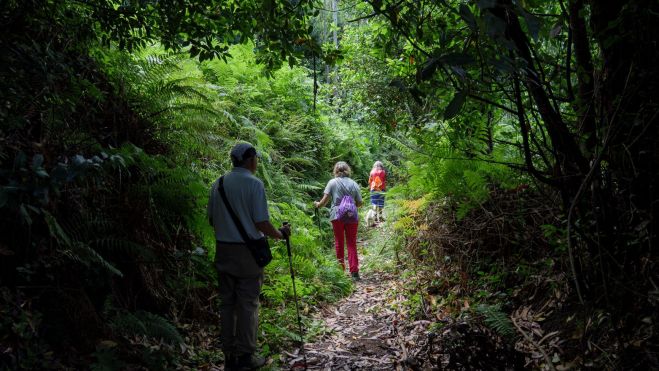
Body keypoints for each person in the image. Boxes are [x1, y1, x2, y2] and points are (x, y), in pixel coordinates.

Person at [207, 142, 290, 371]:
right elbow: (262, 223)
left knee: (227, 304)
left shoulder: (218, 184)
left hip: (223, 250)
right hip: (247, 254)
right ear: (250, 159)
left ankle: (229, 357)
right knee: (247, 304)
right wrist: (280, 235)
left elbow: (212, 220)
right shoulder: (254, 184)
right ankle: (245, 357)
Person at [314, 161, 363, 280]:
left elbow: (324, 200)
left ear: (335, 171)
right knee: (351, 243)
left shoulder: (332, 182)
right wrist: (350, 206)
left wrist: (317, 205)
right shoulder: (354, 184)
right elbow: (360, 202)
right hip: (351, 215)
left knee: (339, 242)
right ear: (348, 170)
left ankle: (340, 272)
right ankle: (354, 272)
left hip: (336, 215)